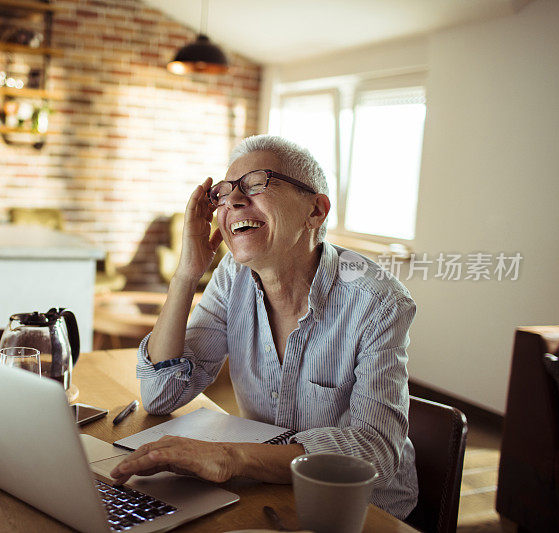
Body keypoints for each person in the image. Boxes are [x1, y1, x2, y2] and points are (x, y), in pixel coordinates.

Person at [110, 134, 418, 520]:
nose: (234, 201)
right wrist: (186, 275)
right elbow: (160, 395)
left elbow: (375, 451)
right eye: (223, 193)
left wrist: (232, 457)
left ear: (316, 211)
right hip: (265, 487)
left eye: (256, 184)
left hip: (360, 509)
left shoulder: (378, 302)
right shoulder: (231, 277)